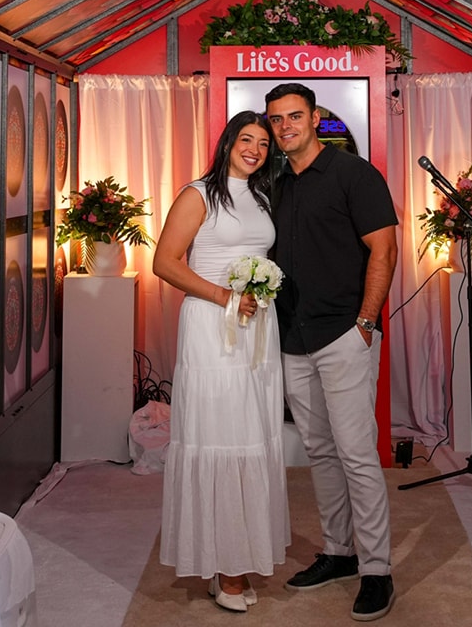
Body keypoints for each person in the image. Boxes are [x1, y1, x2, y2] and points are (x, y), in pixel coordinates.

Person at [264, 82, 400, 622]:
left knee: (357, 455)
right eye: (276, 119)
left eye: (294, 116)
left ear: (315, 117)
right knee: (320, 452)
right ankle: (340, 552)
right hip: (293, 339)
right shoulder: (275, 184)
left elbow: (384, 250)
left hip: (344, 333)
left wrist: (366, 322)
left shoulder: (354, 175)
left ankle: (377, 569)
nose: (285, 127)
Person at [154, 111, 290, 613]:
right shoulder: (198, 195)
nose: (254, 149)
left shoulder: (261, 196)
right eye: (246, 139)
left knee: (253, 435)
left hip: (258, 328)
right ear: (228, 142)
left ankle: (237, 557)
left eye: (263, 143)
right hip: (213, 328)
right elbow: (164, 262)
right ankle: (224, 566)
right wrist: (224, 296)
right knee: (222, 436)